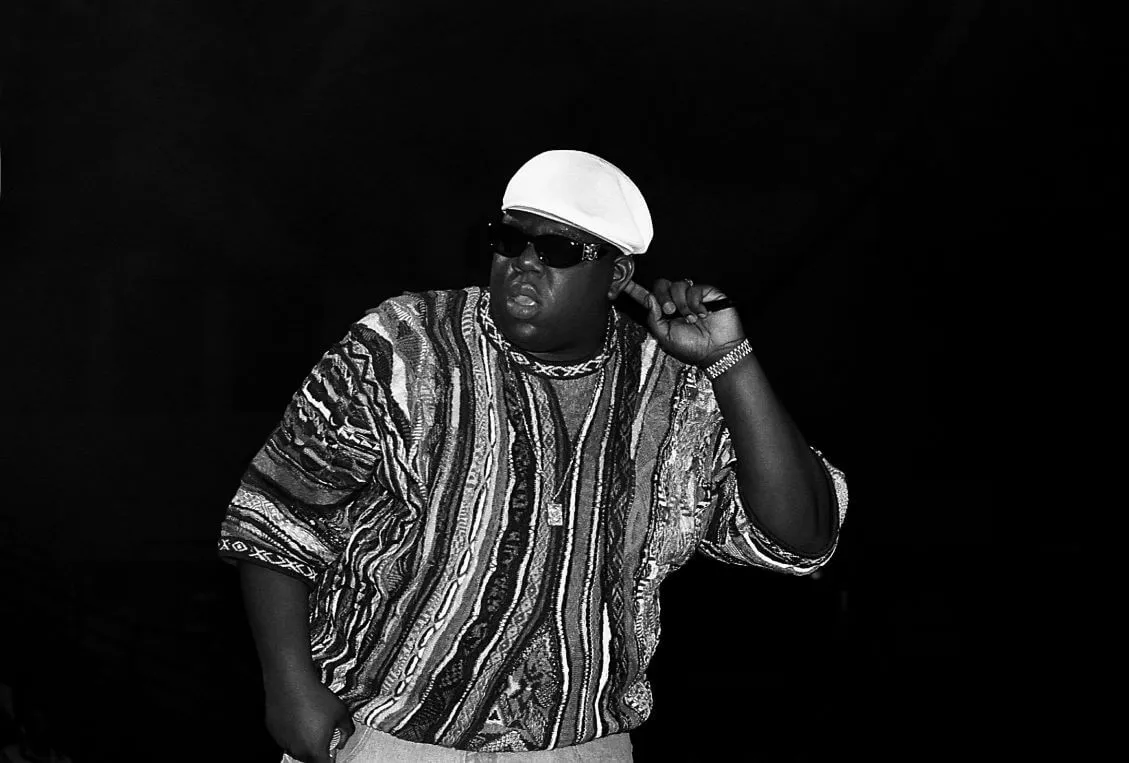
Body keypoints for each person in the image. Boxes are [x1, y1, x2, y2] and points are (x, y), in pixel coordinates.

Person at [219, 149, 848, 762]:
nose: (523, 263)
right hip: (381, 734)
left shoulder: (676, 388)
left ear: (618, 277)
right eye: (509, 240)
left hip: (580, 746)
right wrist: (289, 687)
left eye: (558, 251)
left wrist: (730, 363)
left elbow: (801, 540)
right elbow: (275, 512)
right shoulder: (405, 347)